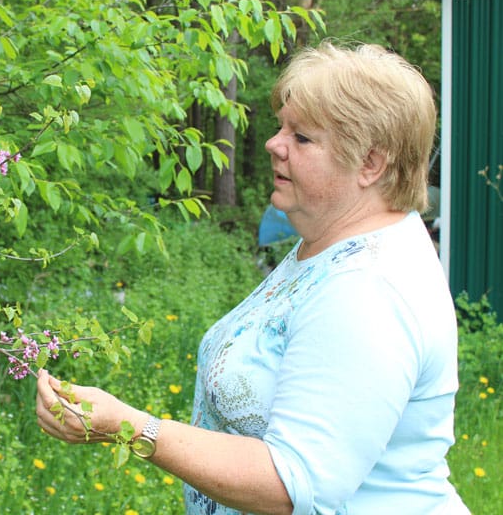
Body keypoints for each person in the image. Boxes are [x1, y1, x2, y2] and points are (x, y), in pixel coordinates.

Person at [35, 42, 469, 514]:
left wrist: (134, 428)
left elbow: (294, 482)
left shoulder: (369, 289)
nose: (273, 144)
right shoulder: (328, 245)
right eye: (282, 126)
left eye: (301, 137)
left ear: (370, 164)